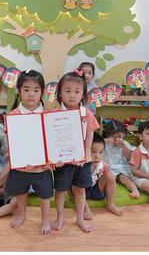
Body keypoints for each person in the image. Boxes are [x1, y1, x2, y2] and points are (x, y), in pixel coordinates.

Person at [4, 70, 54, 235]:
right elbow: (11, 142)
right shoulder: (12, 116)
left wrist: (51, 160)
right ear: (19, 90)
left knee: (44, 195)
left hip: (42, 168)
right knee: (21, 192)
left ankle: (45, 220)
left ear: (42, 92)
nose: (31, 94)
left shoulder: (48, 115)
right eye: (26, 89)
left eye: (35, 90)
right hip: (21, 167)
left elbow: (53, 141)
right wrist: (15, 159)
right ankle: (21, 215)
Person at [52, 70, 100, 233]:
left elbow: (89, 135)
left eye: (77, 92)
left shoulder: (87, 113)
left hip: (82, 161)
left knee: (80, 190)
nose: (72, 95)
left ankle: (79, 218)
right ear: (60, 93)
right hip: (62, 162)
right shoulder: (55, 114)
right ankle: (60, 217)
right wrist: (54, 156)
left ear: (83, 94)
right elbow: (53, 138)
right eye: (67, 91)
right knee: (60, 190)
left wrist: (85, 154)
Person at [81, 133, 124, 219]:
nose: (97, 156)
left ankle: (110, 204)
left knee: (110, 176)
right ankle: (84, 208)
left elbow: (107, 176)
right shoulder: (81, 164)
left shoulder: (102, 164)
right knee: (74, 186)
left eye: (101, 152)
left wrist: (111, 184)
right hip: (81, 192)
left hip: (95, 189)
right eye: (93, 152)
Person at [102, 119, 139, 199]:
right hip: (108, 168)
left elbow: (130, 158)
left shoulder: (124, 144)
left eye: (119, 136)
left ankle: (134, 190)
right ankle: (112, 184)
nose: (117, 139)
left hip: (121, 168)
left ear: (124, 135)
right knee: (109, 178)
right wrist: (105, 141)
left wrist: (124, 147)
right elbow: (95, 144)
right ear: (108, 135)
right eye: (113, 136)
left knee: (125, 178)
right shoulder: (105, 143)